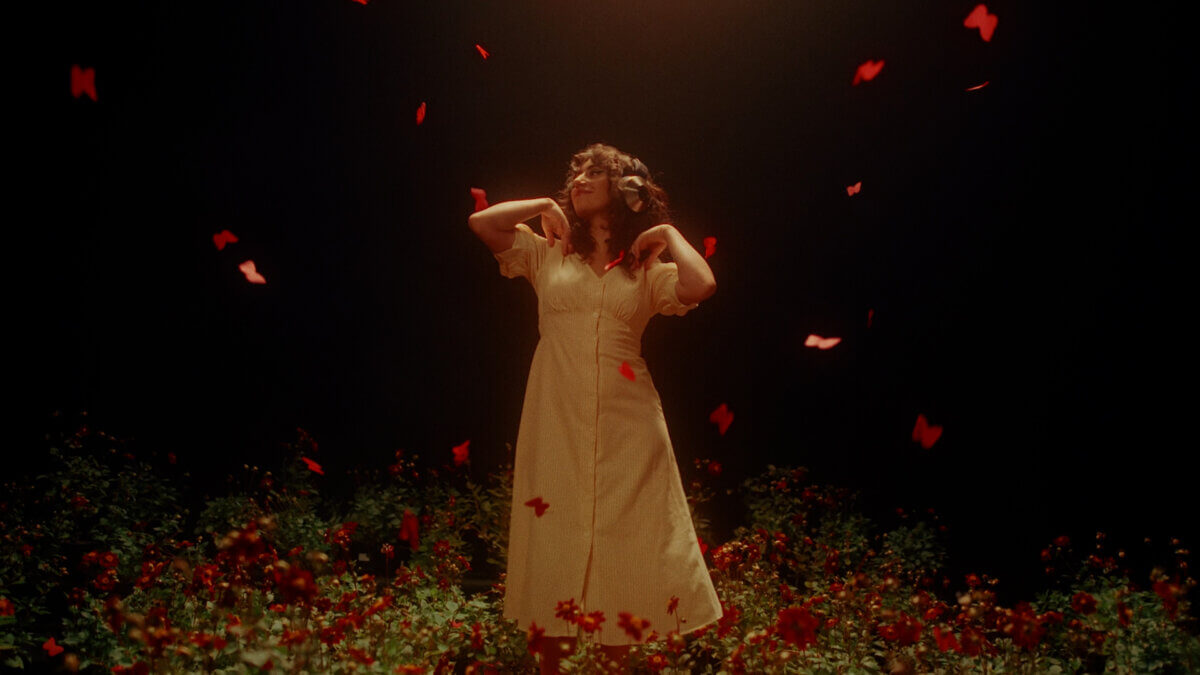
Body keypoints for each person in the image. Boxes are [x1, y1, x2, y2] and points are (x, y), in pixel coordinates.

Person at [468, 143, 721, 673]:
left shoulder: (645, 268)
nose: (579, 179)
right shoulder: (548, 251)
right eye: (575, 172)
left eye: (594, 172)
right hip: (555, 414)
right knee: (553, 539)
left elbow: (701, 284)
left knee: (624, 552)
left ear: (624, 188)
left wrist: (667, 233)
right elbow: (482, 223)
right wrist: (543, 204)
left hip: (631, 423)